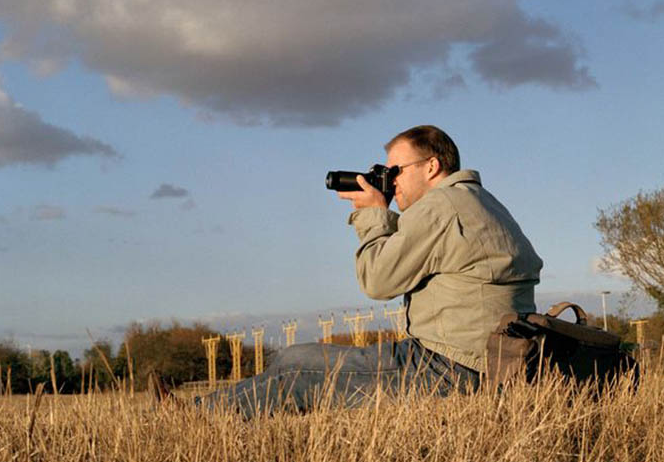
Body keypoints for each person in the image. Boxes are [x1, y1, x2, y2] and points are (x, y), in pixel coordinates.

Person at [197, 125, 542, 417]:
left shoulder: (441, 207)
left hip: (450, 368)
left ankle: (199, 415)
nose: (391, 183)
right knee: (293, 358)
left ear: (432, 166)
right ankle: (201, 408)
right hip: (488, 363)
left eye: (396, 172)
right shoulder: (481, 202)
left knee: (298, 367)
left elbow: (377, 281)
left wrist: (373, 215)